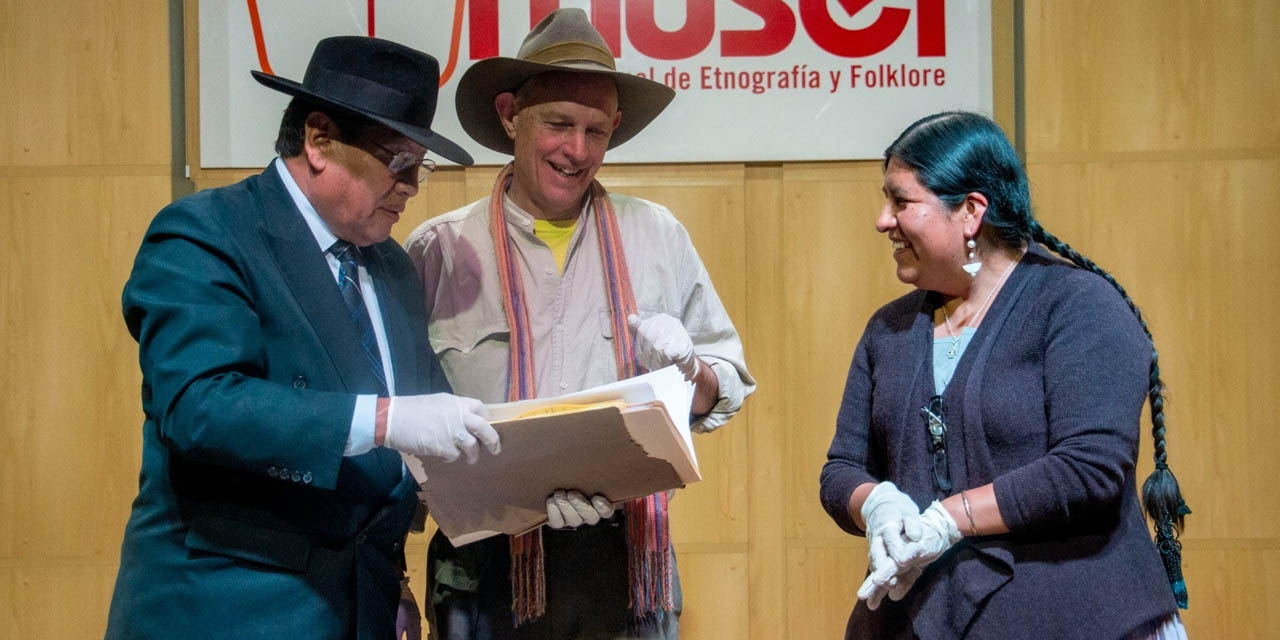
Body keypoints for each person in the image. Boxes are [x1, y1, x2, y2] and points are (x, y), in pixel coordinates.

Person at [104, 37, 501, 640]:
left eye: (422, 165)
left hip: (362, 608)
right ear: (318, 140)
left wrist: (534, 473)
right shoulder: (206, 233)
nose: (414, 186)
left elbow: (427, 426)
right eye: (400, 161)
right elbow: (198, 406)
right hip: (231, 612)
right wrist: (387, 419)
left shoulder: (391, 267)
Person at [403, 8, 754, 639]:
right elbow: (401, 413)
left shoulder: (658, 235)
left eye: (596, 130)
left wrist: (689, 367)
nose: (578, 150)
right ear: (510, 114)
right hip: (482, 569)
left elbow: (722, 391)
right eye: (559, 124)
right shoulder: (438, 249)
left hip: (625, 565)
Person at [818, 112, 1191, 639]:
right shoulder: (889, 330)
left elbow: (1088, 470)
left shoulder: (1079, 307)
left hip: (1082, 619)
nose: (883, 220)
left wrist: (949, 519)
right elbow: (841, 470)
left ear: (970, 212)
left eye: (902, 201)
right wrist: (875, 504)